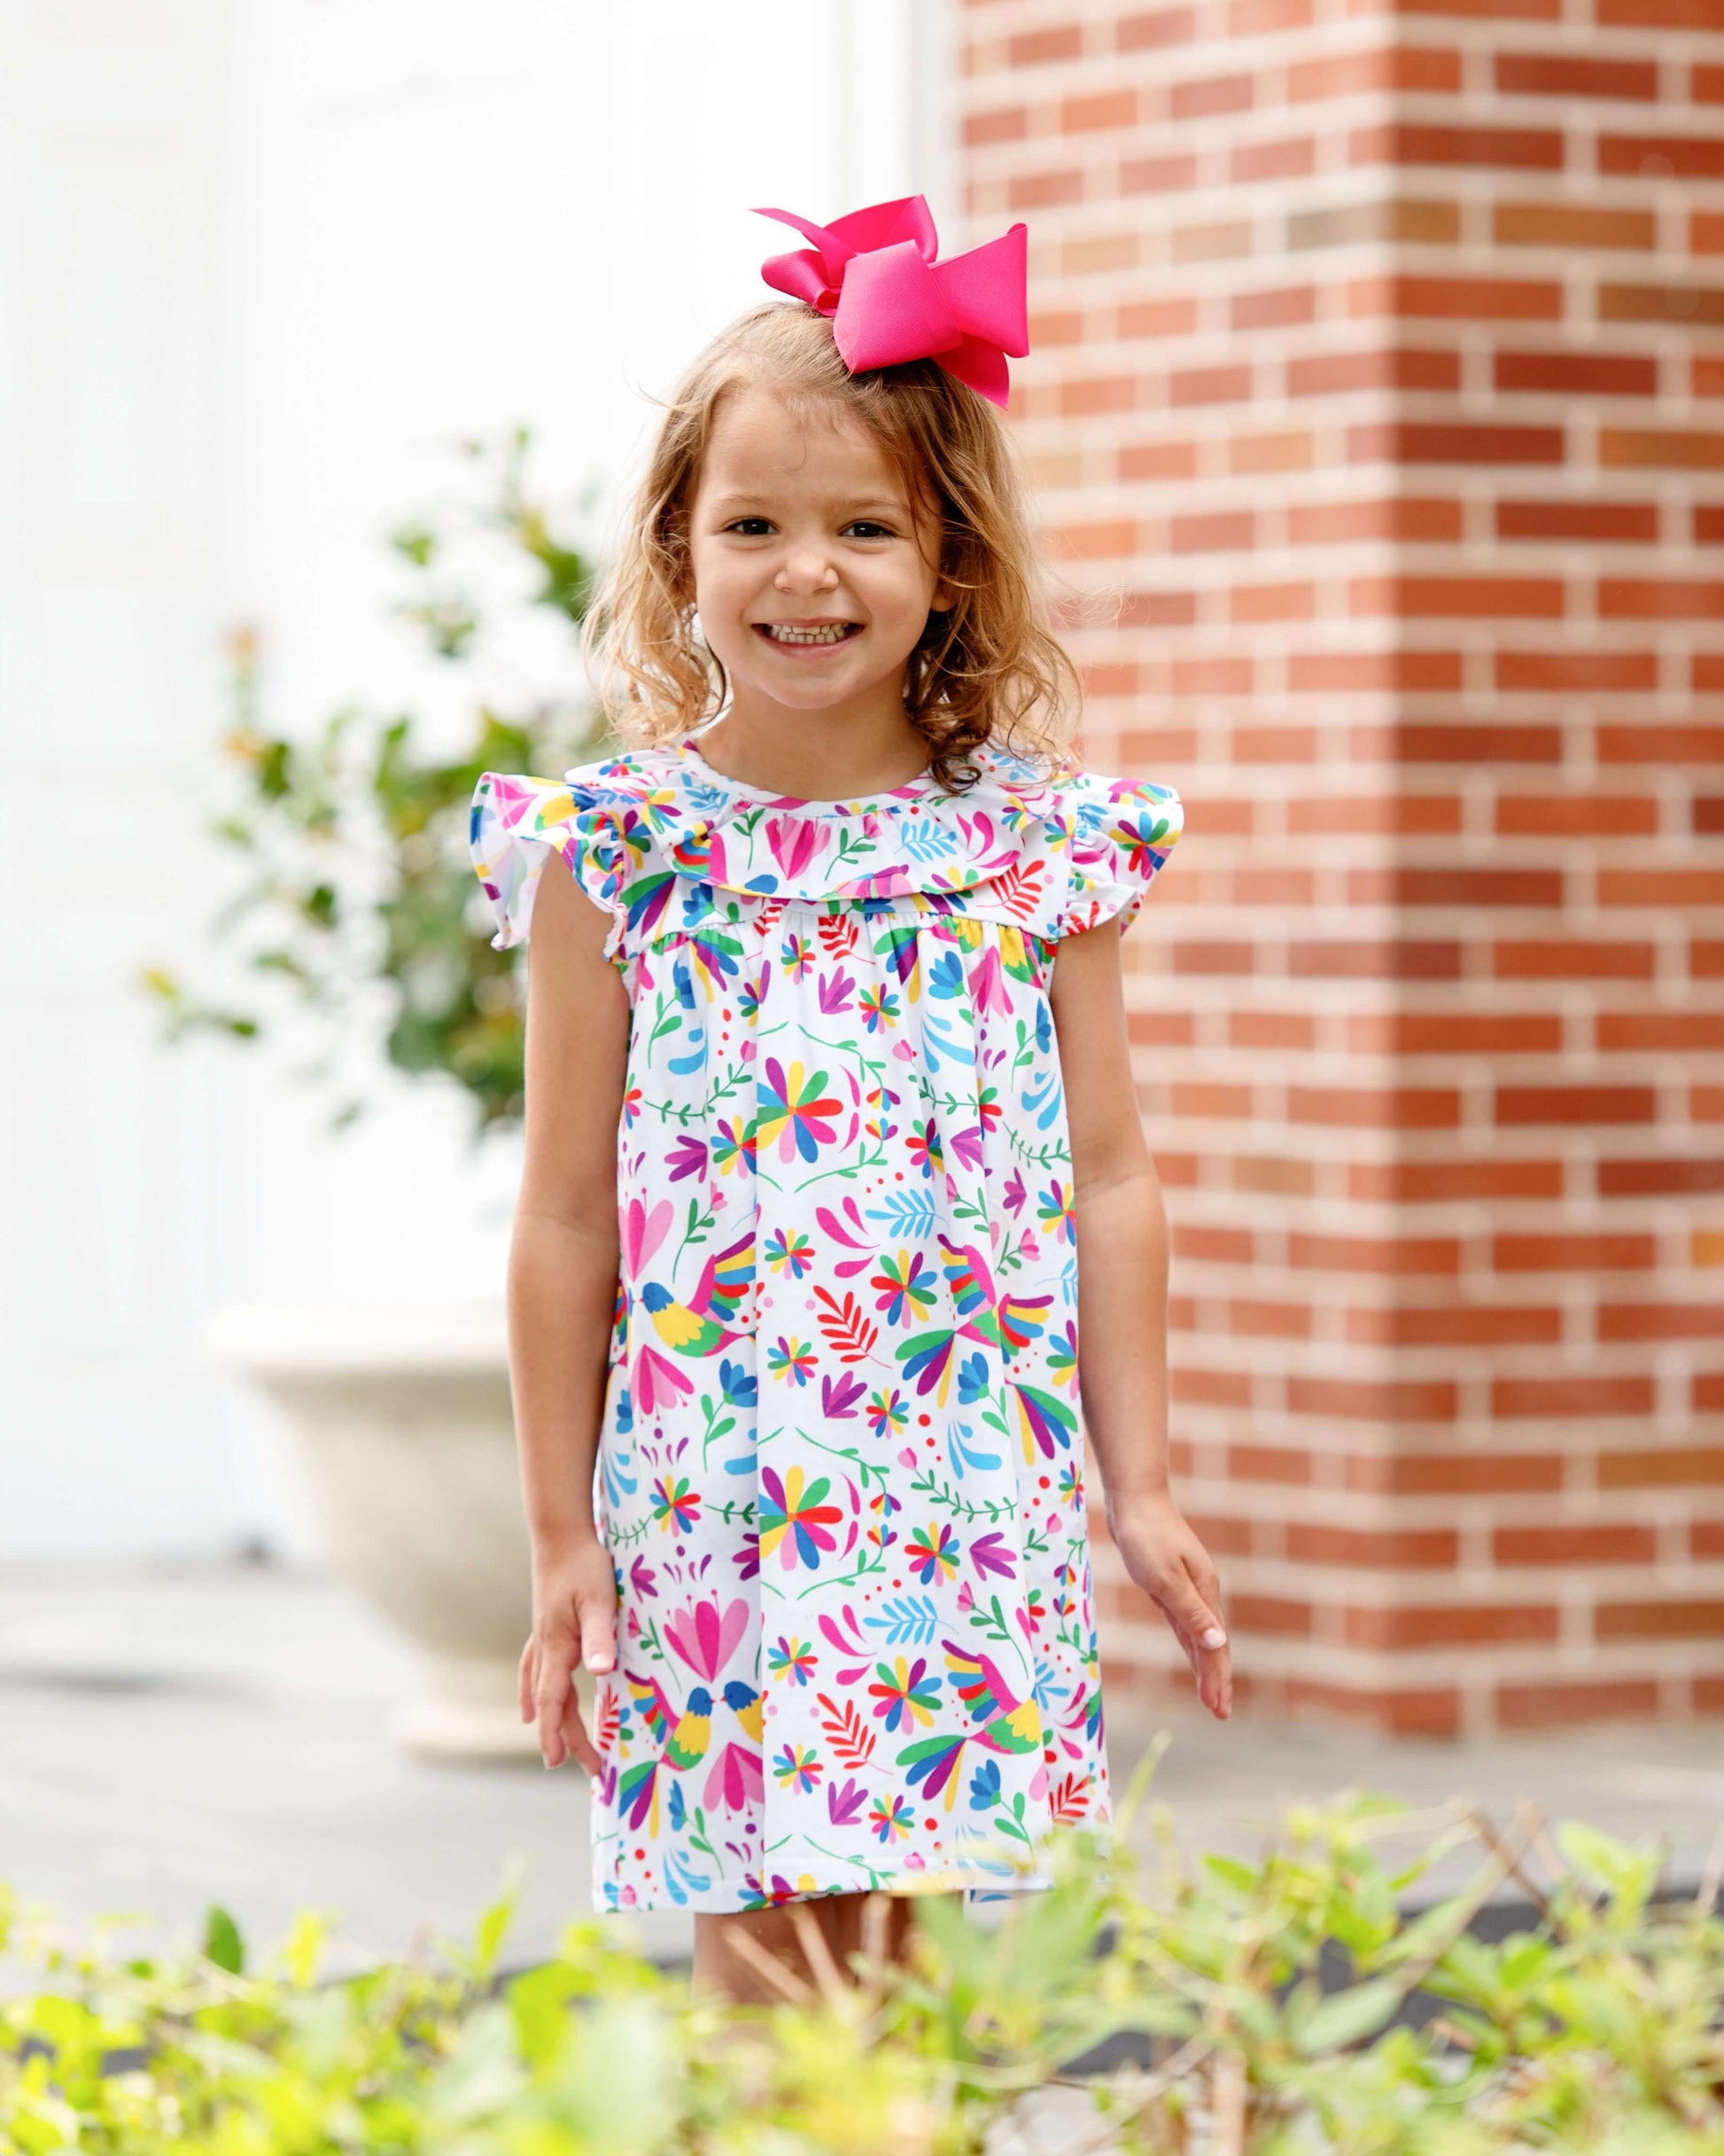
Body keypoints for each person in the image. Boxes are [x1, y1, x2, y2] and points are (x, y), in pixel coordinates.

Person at [470, 196, 1230, 2004]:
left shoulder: (1034, 850)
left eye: (863, 525)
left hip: (963, 1491)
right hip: (719, 1497)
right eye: (754, 524)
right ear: (679, 550)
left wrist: (1147, 1479)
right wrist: (560, 1527)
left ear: (948, 560)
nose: (804, 571)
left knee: (906, 1989)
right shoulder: (617, 855)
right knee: (775, 1995)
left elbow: (1109, 1177)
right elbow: (566, 1208)